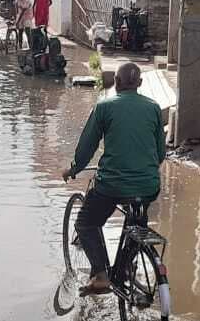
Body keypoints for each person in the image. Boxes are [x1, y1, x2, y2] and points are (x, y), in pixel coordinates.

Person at [62, 63, 167, 294]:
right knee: (136, 222)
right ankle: (128, 266)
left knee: (86, 223)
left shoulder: (105, 106)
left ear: (116, 83)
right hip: (149, 185)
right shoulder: (154, 108)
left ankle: (100, 276)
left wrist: (74, 169)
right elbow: (161, 153)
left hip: (111, 185)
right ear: (139, 84)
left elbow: (87, 146)